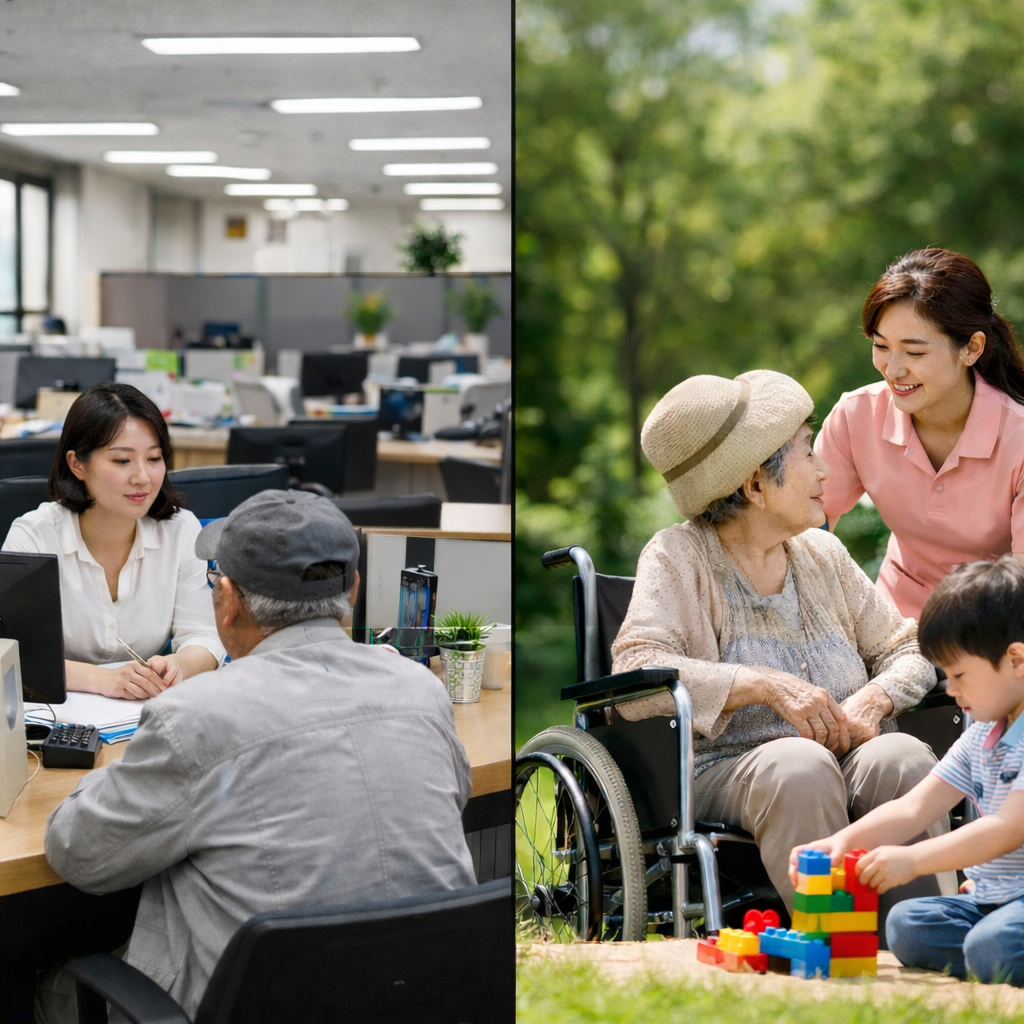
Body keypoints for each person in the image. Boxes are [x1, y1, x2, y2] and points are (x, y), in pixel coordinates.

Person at [41, 489, 477, 1022]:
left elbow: (77, 853)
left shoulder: (196, 716)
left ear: (227, 598)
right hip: (423, 1001)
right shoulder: (422, 690)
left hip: (255, 1004)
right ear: (354, 589)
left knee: (54, 987)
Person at [611, 369, 947, 917]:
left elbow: (904, 649)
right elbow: (635, 673)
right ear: (756, 486)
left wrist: (875, 699)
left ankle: (928, 933)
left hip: (845, 754)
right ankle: (838, 945)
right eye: (807, 453)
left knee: (901, 755)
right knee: (800, 765)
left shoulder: (824, 555)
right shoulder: (678, 556)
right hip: (728, 769)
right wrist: (760, 686)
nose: (824, 469)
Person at [790, 558, 1024, 985]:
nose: (951, 690)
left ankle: (989, 950)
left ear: (1016, 660)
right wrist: (838, 844)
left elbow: (1007, 830)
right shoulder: (982, 737)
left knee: (991, 945)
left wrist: (913, 860)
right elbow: (913, 808)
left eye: (959, 675)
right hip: (994, 902)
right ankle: (988, 949)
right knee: (906, 924)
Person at [815, 248, 1024, 619]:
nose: (893, 369)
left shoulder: (1018, 437)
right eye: (881, 346)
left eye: (914, 352)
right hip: (894, 626)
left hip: (995, 630)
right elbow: (805, 523)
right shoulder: (857, 414)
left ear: (971, 349)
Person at [3, 382, 224, 698]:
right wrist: (100, 680)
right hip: (57, 721)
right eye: (122, 461)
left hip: (148, 712)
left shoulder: (180, 529)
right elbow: (12, 655)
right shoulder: (33, 536)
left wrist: (178, 665)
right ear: (77, 464)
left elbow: (204, 635)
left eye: (154, 458)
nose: (143, 478)